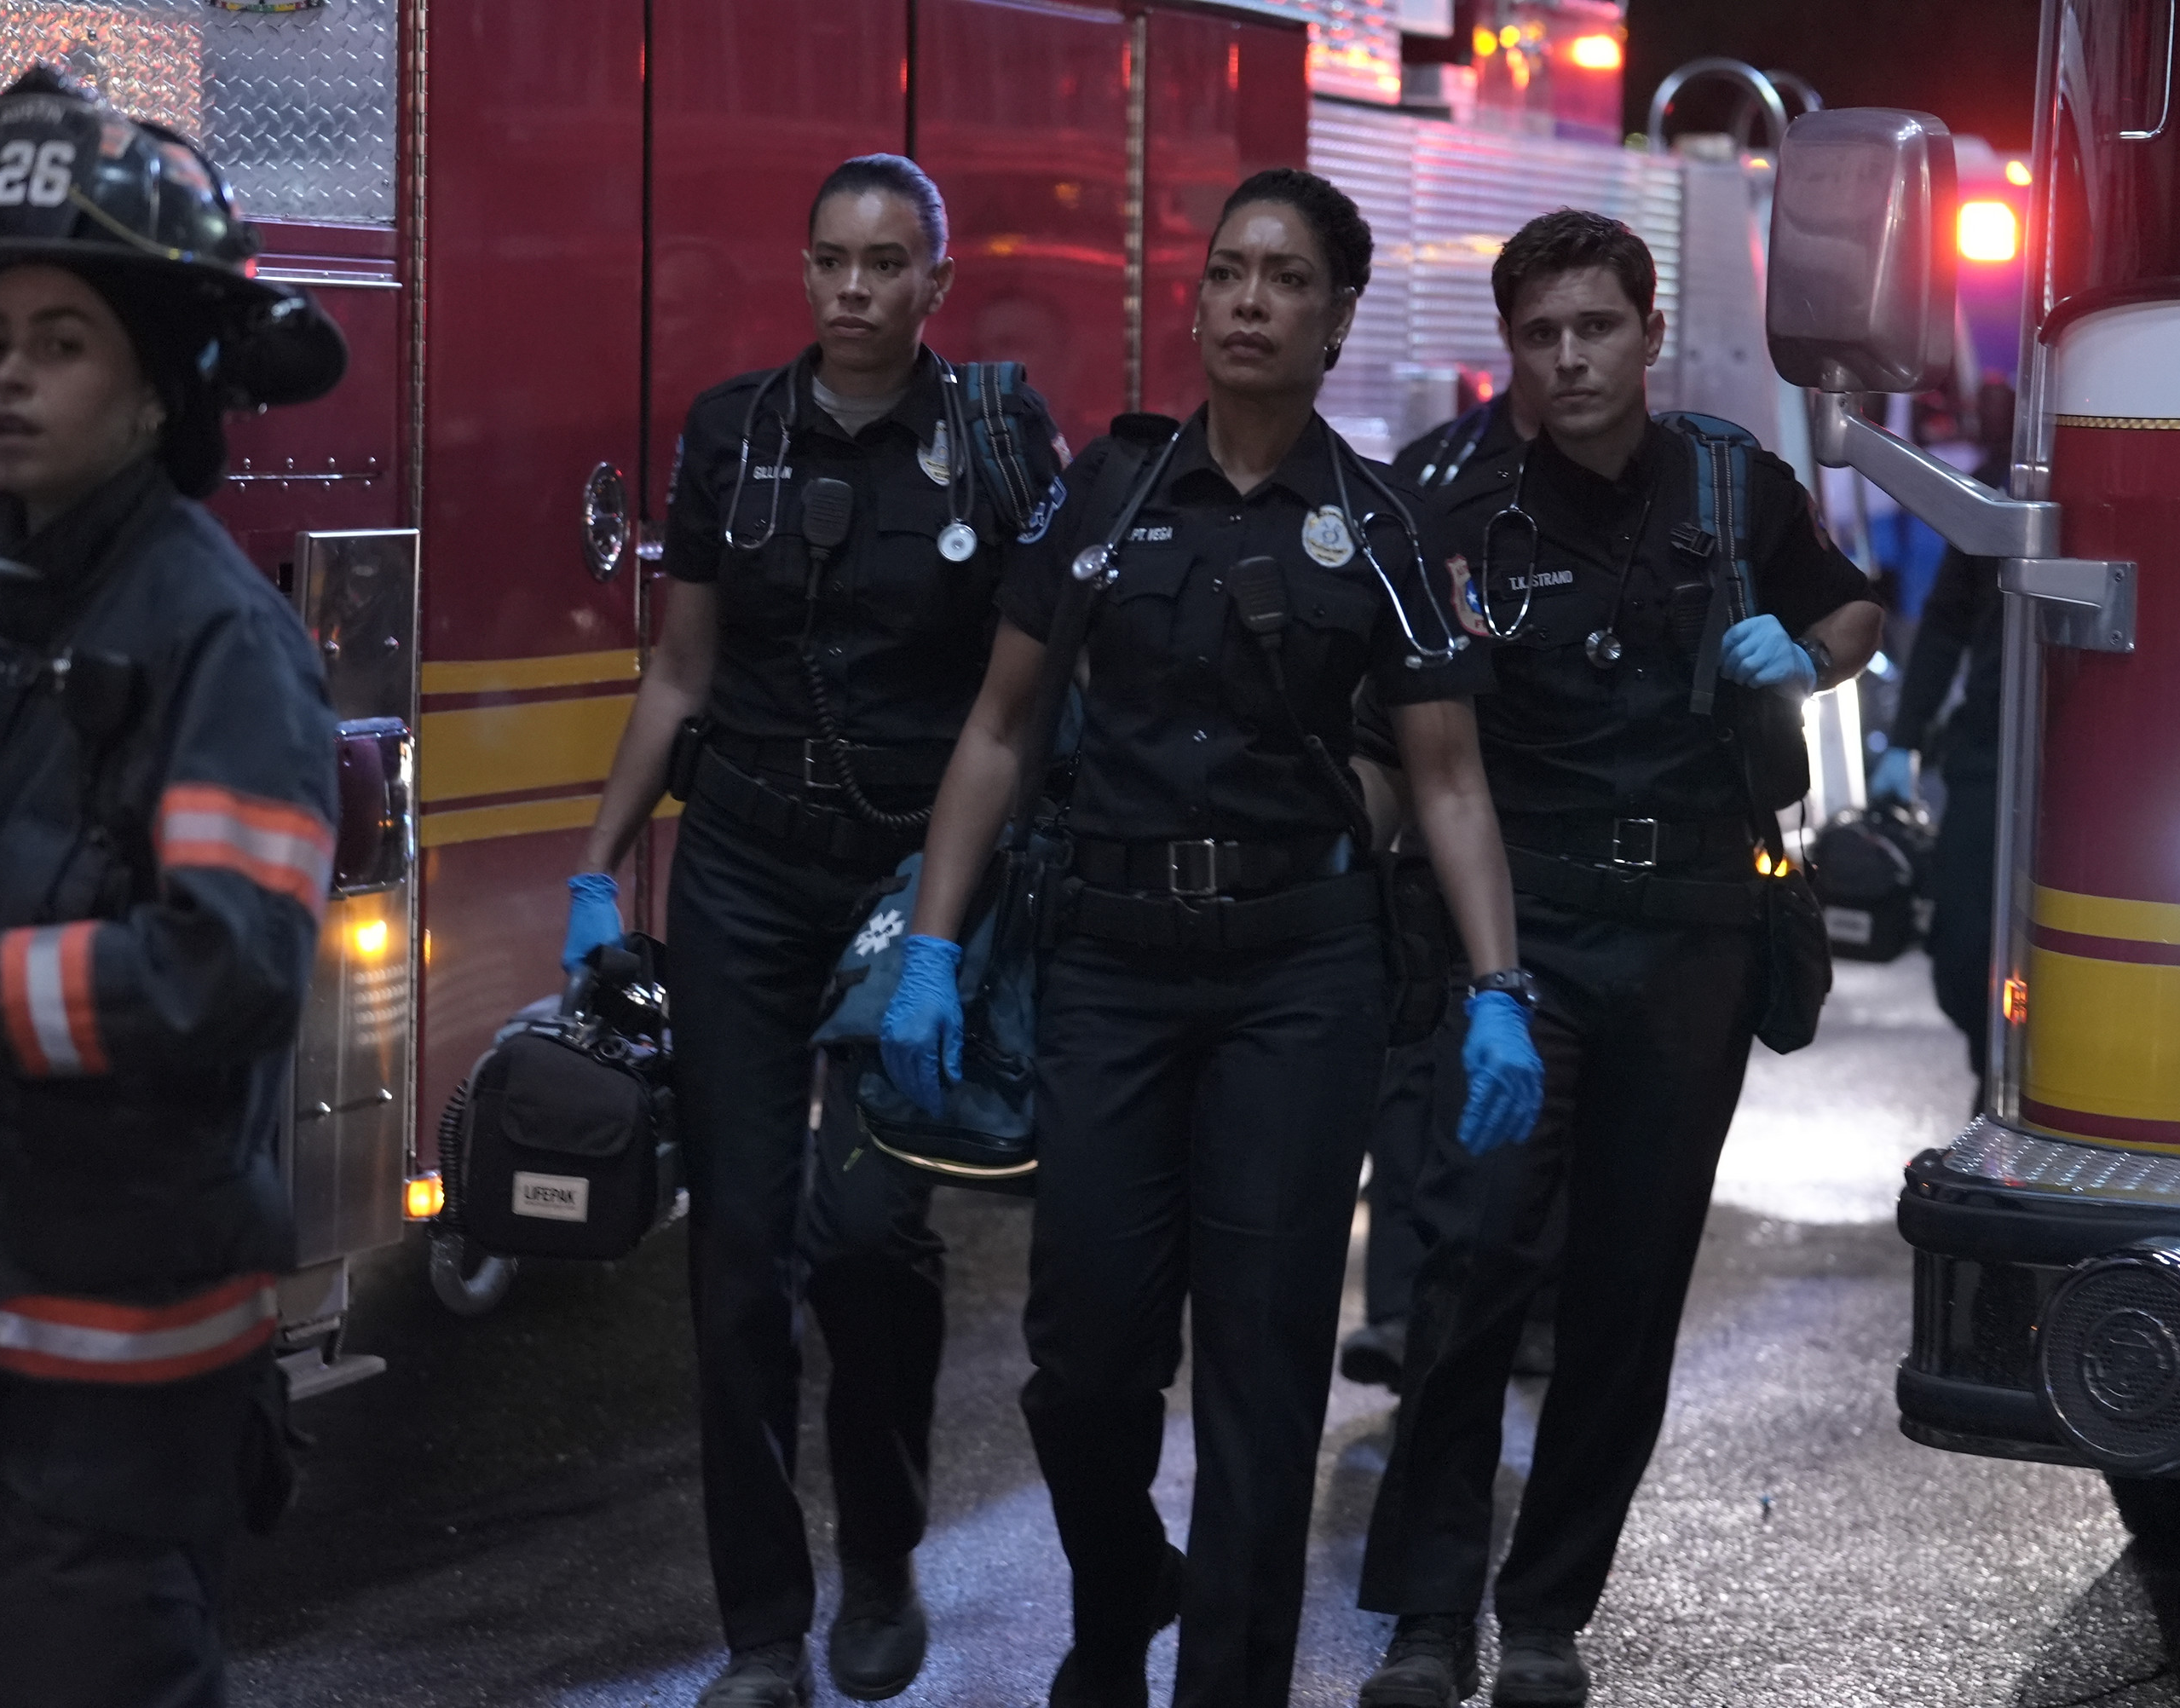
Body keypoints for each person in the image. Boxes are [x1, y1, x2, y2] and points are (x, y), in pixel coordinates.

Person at [881, 167, 1544, 1708]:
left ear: (1337, 316)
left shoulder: (1375, 522)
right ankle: (1121, 1587)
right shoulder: (1103, 493)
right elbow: (998, 725)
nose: (1251, 300)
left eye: (1288, 278)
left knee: (1261, 1363)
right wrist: (927, 942)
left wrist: (1500, 988)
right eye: (1230, 273)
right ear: (1195, 301)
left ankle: (1226, 1682)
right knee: (1086, 1350)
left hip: (1298, 978)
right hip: (1110, 962)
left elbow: (1445, 775)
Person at [0, 68, 347, 1705]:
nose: (10, 381)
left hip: (129, 1344)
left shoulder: (217, 635)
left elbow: (234, 959)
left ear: (162, 385)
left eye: (63, 342)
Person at [1355, 209, 1881, 1708]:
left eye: (1596, 327)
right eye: (1540, 334)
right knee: (1470, 1258)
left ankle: (1544, 1609)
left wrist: (1812, 651)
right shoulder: (1456, 508)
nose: (1570, 357)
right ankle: (1427, 1608)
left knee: (1629, 1284)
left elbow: (1851, 602)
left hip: (1696, 938)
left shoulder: (1731, 482)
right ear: (1509, 347)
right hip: (1520, 937)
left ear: (1650, 333)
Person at [559, 155, 1065, 1706]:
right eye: (833, 259)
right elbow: (679, 670)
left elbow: (1032, 686)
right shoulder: (736, 432)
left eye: (887, 262)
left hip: (911, 892)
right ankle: (763, 1630)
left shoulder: (994, 435)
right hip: (745, 877)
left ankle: (883, 1556)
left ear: (937, 280)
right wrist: (598, 865)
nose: (856, 287)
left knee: (864, 1240)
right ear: (803, 272)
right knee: (736, 1261)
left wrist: (954, 922)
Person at [1342, 395, 1547, 1395]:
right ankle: (1394, 1310)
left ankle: (1525, 1311)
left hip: (1562, 842)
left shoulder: (1669, 479)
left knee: (1527, 1108)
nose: (1564, 356)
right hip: (1434, 826)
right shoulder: (1429, 475)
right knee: (1411, 1083)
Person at [1871, 380, 2014, 1087]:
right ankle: (1991, 1086)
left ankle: (2005, 1097)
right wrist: (1904, 740)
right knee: (1962, 954)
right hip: (1989, 751)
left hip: (2097, 767)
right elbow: (1949, 620)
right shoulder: (2005, 481)